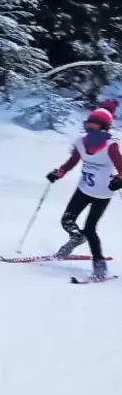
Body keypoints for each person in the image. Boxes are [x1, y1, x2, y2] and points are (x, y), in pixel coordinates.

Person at [46, 107, 122, 278]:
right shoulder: (81, 142)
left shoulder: (111, 147)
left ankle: (99, 265)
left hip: (102, 194)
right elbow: (72, 162)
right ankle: (76, 238)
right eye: (88, 126)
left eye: (94, 128)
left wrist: (119, 180)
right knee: (66, 220)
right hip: (83, 190)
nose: (89, 130)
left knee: (90, 229)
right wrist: (59, 172)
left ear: (104, 129)